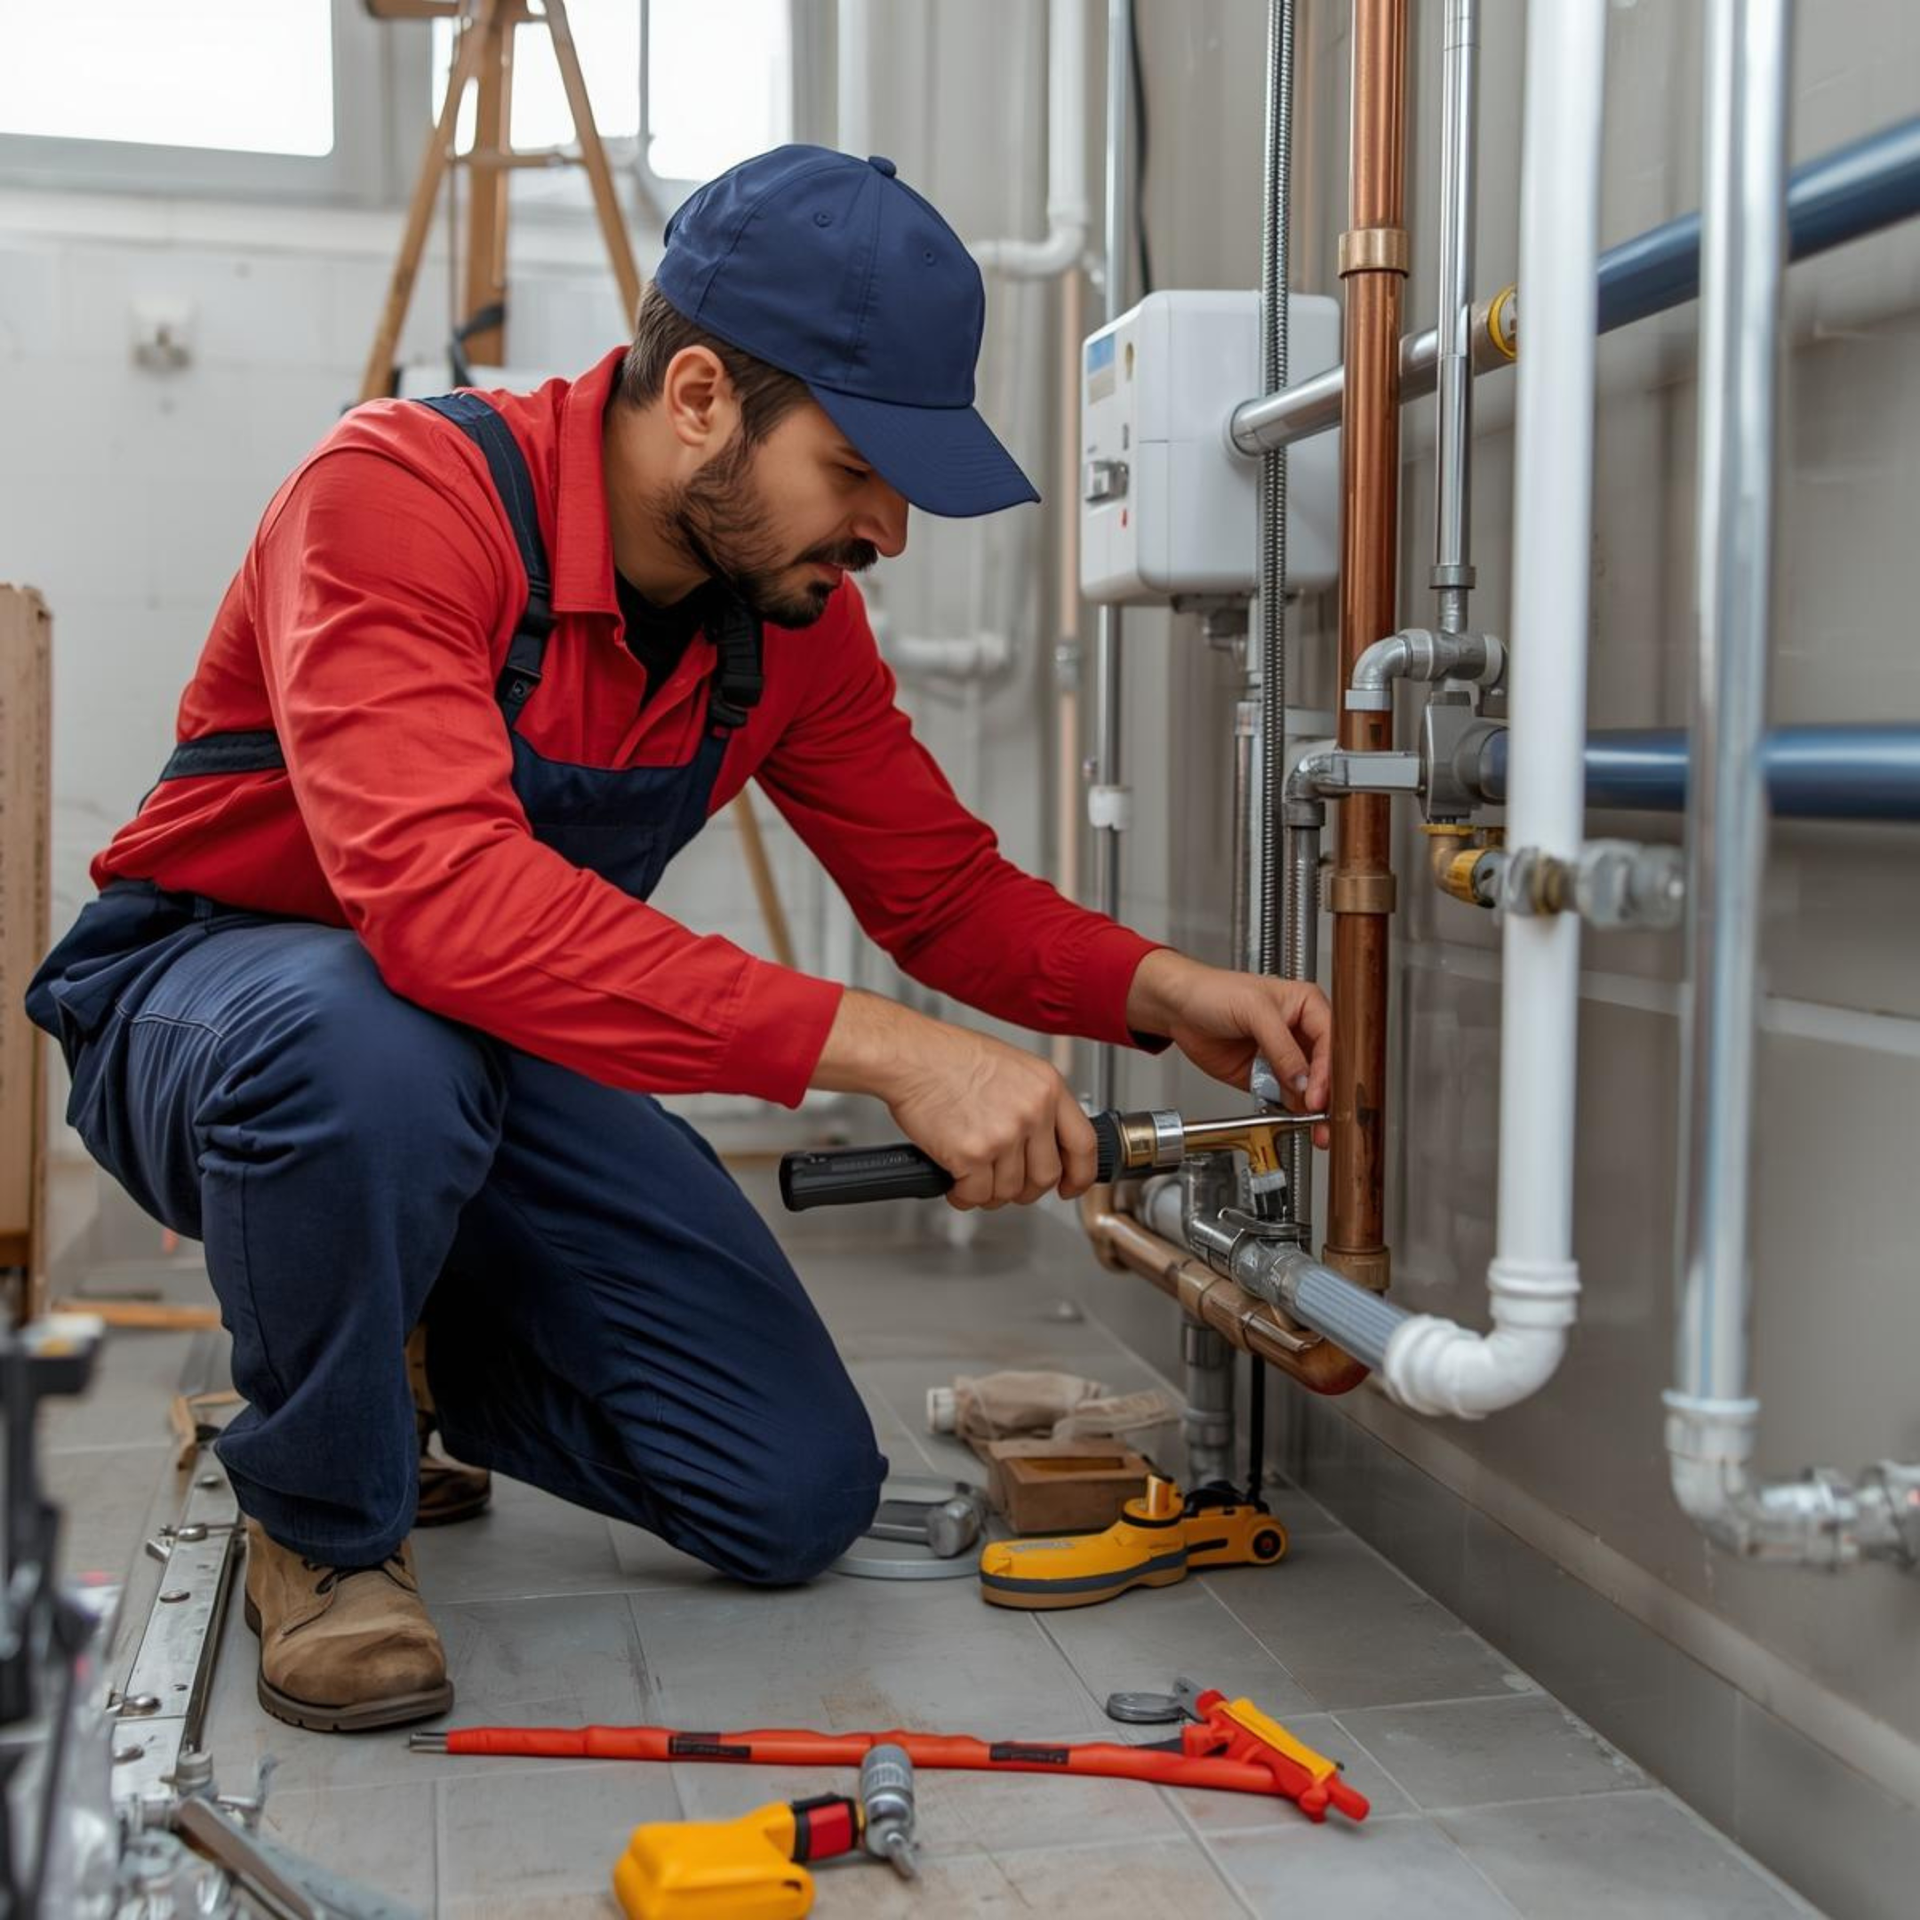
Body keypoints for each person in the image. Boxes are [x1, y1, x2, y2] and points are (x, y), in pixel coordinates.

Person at [26, 146, 1330, 1733]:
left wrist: (1163, 988)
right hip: (214, 1006)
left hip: (474, 1055)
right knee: (360, 1039)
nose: (888, 530)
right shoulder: (398, 499)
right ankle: (322, 1516)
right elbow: (441, 907)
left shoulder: (784, 622)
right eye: (859, 470)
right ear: (700, 393)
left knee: (788, 1491)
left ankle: (378, 1350)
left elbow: (938, 890)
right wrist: (892, 1052)